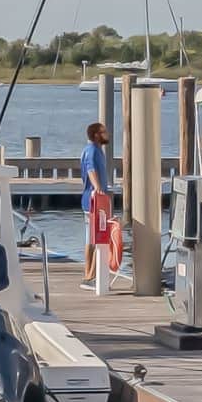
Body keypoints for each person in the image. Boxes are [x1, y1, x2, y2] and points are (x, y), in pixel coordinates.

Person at [80, 122, 110, 288]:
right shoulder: (92, 150)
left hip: (89, 199)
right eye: (104, 132)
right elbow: (91, 170)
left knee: (90, 238)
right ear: (97, 135)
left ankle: (88, 274)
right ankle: (91, 276)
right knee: (97, 237)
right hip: (94, 199)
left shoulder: (92, 150)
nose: (107, 134)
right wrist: (98, 188)